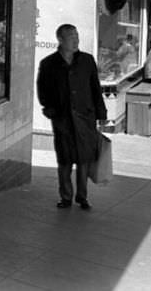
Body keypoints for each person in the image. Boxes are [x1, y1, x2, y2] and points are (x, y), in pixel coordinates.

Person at [37, 24, 107, 210]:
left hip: (85, 117)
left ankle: (82, 196)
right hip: (63, 119)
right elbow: (42, 90)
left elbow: (95, 88)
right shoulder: (49, 64)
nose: (76, 40)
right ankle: (66, 196)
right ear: (60, 39)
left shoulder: (86, 60)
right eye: (71, 36)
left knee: (84, 158)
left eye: (77, 36)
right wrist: (50, 109)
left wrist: (101, 114)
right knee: (65, 159)